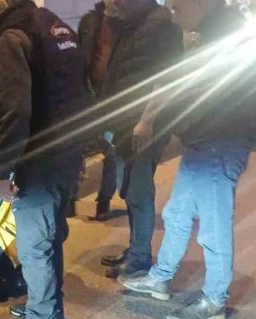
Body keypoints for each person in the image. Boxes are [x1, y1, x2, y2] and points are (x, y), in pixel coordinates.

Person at [118, 1, 256, 319]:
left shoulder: (223, 40)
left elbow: (207, 95)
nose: (173, 11)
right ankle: (160, 278)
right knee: (177, 213)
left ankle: (214, 300)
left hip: (219, 144)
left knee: (213, 226)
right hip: (204, 143)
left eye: (178, 6)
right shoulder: (211, 35)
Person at [0, 0, 91, 319]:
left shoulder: (12, 38)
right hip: (67, 150)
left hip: (41, 157)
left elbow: (14, 110)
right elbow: (80, 91)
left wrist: (3, 170)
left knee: (34, 242)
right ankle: (46, 303)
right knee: (52, 234)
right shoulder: (52, 24)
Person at [88, 0, 183, 279]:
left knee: (139, 192)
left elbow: (167, 78)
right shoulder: (130, 26)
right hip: (122, 125)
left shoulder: (162, 27)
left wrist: (147, 120)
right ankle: (135, 250)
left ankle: (140, 258)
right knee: (129, 189)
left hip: (144, 127)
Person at [78, 0, 121, 220]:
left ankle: (103, 202)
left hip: (112, 98)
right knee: (75, 148)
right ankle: (69, 201)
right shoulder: (89, 21)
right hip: (87, 93)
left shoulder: (127, 24)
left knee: (110, 151)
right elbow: (78, 58)